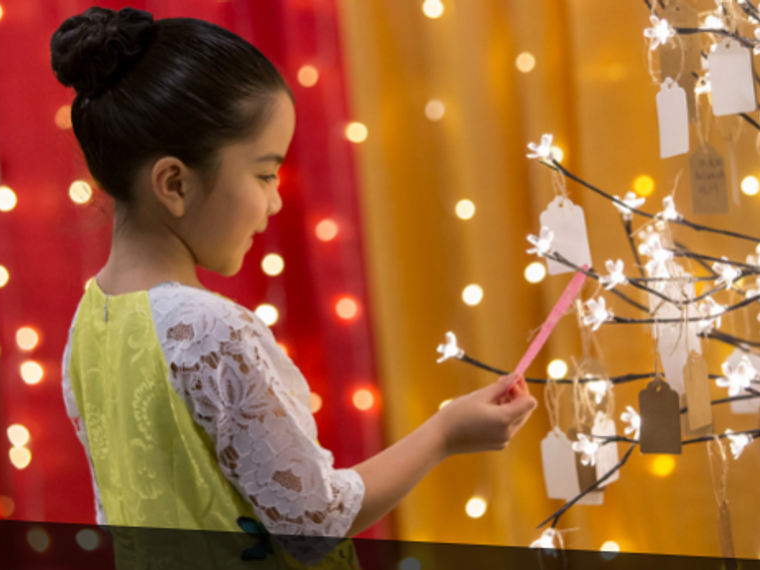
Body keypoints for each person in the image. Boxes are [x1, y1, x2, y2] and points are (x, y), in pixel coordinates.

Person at [53, 6, 537, 566]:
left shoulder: (88, 326)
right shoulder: (210, 334)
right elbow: (316, 521)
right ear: (174, 182)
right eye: (263, 173)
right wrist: (446, 434)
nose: (275, 200)